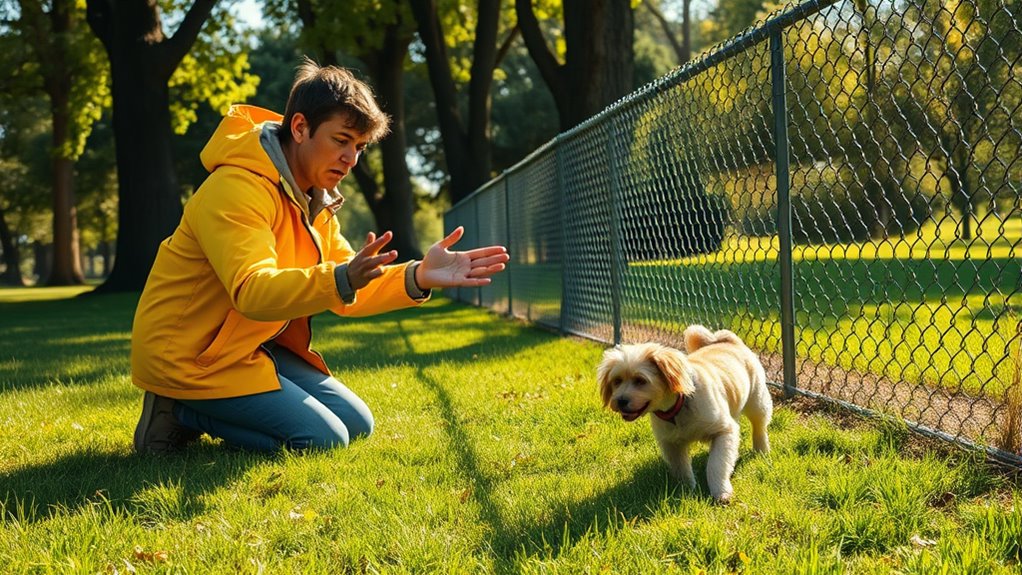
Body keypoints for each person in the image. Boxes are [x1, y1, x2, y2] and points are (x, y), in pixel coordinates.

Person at [130, 58, 509, 454]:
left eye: (360, 147)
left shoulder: (315, 200)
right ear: (299, 127)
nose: (352, 159)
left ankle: (205, 407)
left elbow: (349, 285)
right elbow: (253, 291)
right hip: (190, 357)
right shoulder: (236, 188)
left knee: (357, 425)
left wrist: (418, 276)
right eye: (341, 140)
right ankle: (179, 409)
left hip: (247, 346)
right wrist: (342, 278)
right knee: (322, 440)